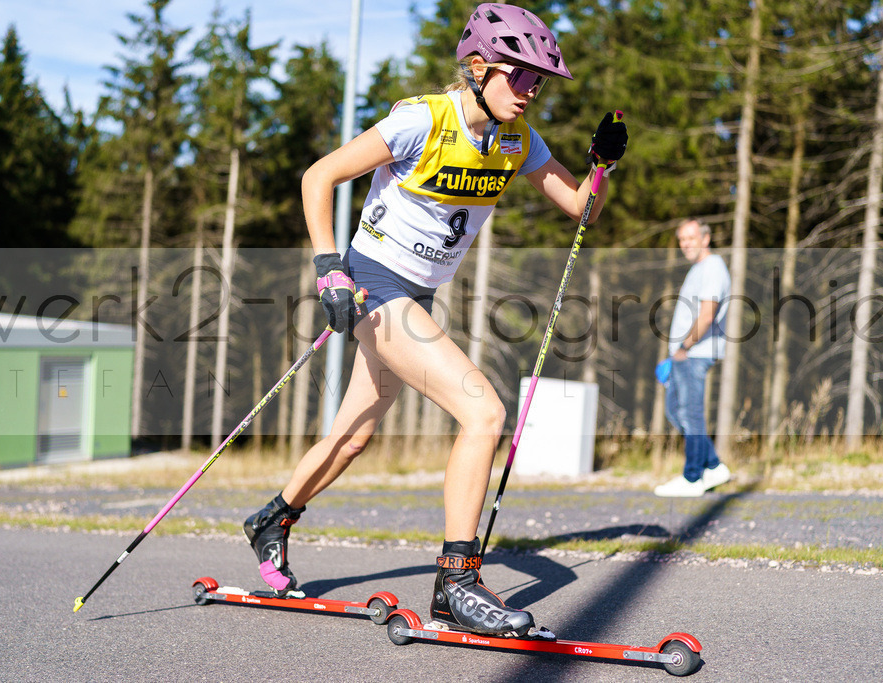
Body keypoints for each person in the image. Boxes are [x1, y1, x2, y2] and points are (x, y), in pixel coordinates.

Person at [243, 3, 628, 637]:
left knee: (354, 436)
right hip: (372, 283)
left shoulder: (517, 141)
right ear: (479, 67)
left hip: (415, 297)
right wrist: (329, 269)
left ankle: (273, 518)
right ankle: (457, 583)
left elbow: (583, 210)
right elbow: (319, 176)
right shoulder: (423, 120)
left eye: (540, 80)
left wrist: (602, 167)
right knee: (483, 411)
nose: (531, 91)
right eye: (521, 75)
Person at [654, 218, 732, 497]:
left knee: (690, 412)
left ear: (705, 238)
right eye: (682, 239)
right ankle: (713, 466)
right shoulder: (698, 269)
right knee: (676, 410)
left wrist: (684, 347)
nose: (685, 244)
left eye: (691, 238)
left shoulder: (712, 267)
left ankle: (693, 478)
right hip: (684, 355)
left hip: (694, 354)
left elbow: (707, 314)